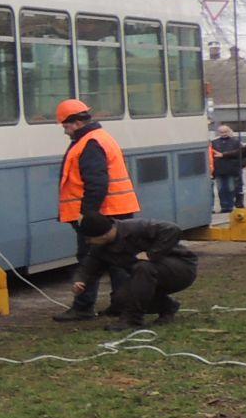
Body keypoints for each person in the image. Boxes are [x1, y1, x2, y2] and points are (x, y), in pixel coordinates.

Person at [52, 98, 139, 322]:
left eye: (65, 126)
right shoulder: (99, 138)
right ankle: (121, 305)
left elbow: (96, 183)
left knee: (89, 259)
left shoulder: (89, 143)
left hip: (101, 214)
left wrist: (88, 215)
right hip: (113, 211)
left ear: (76, 123)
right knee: (117, 260)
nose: (65, 131)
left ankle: (84, 307)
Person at [71, 212, 197, 328]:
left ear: (103, 235)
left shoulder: (135, 227)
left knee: (143, 266)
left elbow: (172, 229)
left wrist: (151, 254)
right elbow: (87, 267)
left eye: (89, 239)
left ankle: (133, 320)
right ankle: (167, 306)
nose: (87, 242)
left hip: (180, 268)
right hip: (147, 277)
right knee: (120, 300)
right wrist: (80, 281)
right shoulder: (100, 248)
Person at [213, 124, 245, 215]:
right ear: (219, 133)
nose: (224, 134)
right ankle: (224, 206)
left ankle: (230, 206)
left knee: (231, 189)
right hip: (219, 170)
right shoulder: (214, 143)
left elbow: (241, 154)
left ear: (229, 131)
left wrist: (241, 166)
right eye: (222, 132)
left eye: (225, 132)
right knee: (221, 189)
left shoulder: (235, 142)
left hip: (232, 170)